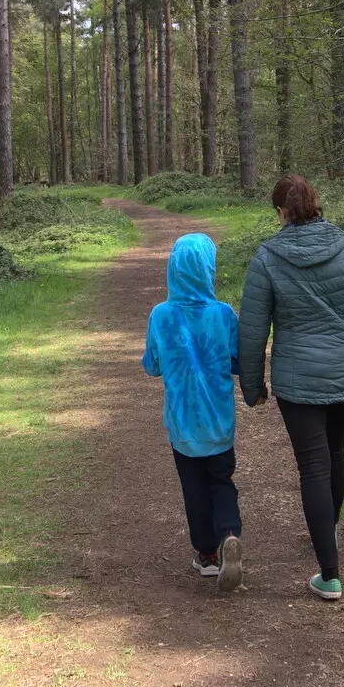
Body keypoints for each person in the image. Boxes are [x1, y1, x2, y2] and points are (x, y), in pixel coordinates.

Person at [238, 175, 344, 601]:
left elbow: (252, 329)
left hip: (298, 380)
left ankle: (329, 574)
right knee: (335, 454)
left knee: (313, 467)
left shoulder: (267, 257)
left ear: (281, 211)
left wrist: (252, 384)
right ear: (317, 204)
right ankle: (326, 531)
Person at [143, 232, 246, 592]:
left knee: (194, 488)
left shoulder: (161, 315)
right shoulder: (223, 315)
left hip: (182, 425)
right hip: (219, 421)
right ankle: (230, 532)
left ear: (173, 269)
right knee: (221, 482)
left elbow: (152, 366)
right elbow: (237, 363)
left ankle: (207, 555)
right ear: (209, 270)